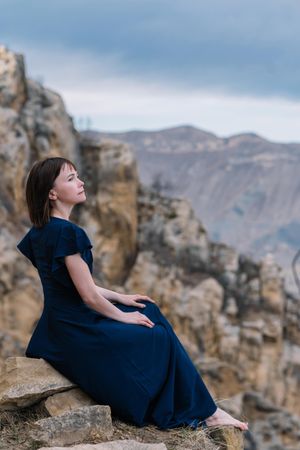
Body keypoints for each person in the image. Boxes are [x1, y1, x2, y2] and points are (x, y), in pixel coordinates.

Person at [17, 157, 248, 431]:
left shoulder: (40, 231)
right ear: (52, 193)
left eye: (78, 176)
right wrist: (124, 318)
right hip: (76, 329)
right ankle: (206, 411)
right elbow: (88, 296)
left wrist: (121, 298)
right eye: (71, 179)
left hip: (57, 327)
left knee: (148, 310)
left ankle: (204, 407)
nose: (81, 183)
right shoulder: (68, 233)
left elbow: (69, 285)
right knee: (156, 335)